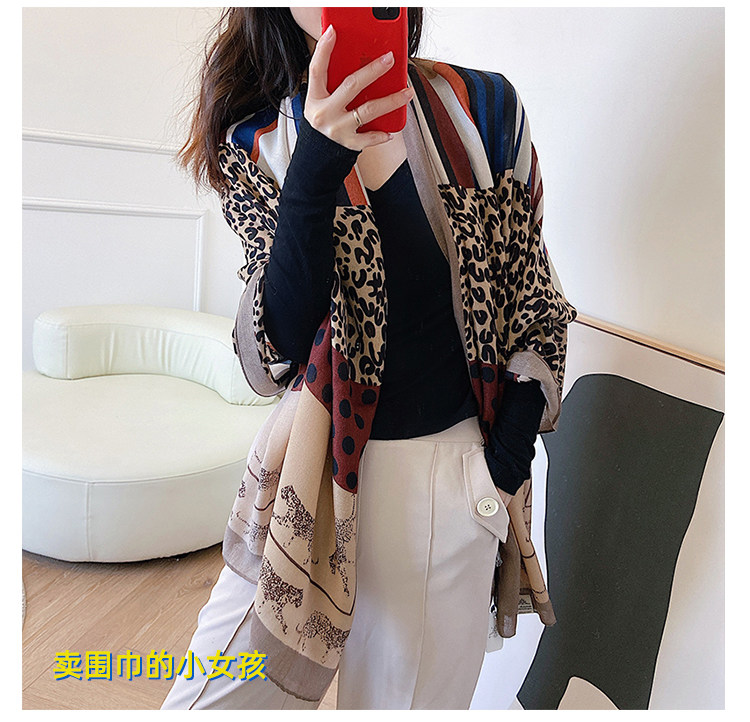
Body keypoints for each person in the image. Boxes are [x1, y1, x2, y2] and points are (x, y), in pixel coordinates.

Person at [161, 6, 577, 711]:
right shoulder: (258, 137)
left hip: (446, 476)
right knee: (212, 700)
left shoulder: (484, 110)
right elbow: (276, 343)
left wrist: (501, 465)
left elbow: (535, 303)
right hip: (311, 467)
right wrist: (317, 159)